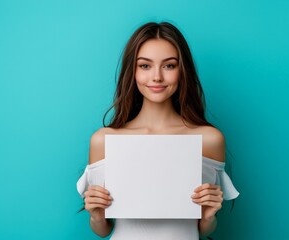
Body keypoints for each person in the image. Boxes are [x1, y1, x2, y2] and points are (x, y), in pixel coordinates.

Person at [76, 22, 239, 239]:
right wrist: (96, 216)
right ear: (131, 71)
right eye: (145, 66)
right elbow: (103, 229)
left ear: (183, 71)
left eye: (169, 65)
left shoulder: (208, 139)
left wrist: (209, 216)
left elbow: (201, 228)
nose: (157, 77)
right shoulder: (104, 140)